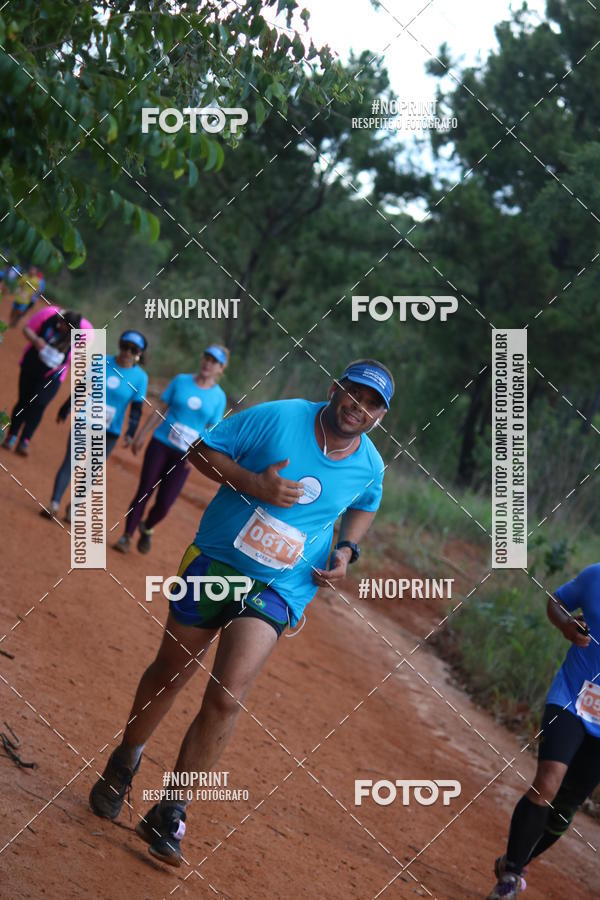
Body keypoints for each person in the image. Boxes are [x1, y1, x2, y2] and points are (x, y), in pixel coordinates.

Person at [89, 358, 393, 867]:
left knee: (228, 695)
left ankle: (172, 809)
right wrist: (253, 484)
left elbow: (366, 503)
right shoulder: (280, 417)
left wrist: (347, 552)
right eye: (353, 393)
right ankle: (125, 760)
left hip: (283, 584)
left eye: (372, 404)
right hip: (218, 560)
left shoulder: (370, 465)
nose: (357, 408)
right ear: (335, 387)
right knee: (170, 673)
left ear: (380, 416)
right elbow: (201, 451)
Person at [487, 564, 600, 899]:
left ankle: (516, 860)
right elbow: (557, 601)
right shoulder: (595, 576)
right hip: (571, 694)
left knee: (566, 807)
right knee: (548, 781)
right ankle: (509, 879)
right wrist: (566, 625)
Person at [113, 345, 228, 555]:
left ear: (221, 368)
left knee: (165, 503)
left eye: (214, 361)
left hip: (186, 455)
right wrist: (141, 435)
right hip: (160, 444)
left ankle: (147, 526)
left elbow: (212, 432)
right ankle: (126, 536)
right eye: (206, 358)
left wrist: (199, 457)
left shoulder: (218, 397)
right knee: (144, 490)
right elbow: (160, 409)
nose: (208, 363)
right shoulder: (181, 381)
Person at [39, 330, 149, 522]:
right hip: (85, 421)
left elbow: (136, 409)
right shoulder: (101, 361)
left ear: (139, 353)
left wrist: (131, 432)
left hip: (110, 431)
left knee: (91, 469)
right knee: (70, 462)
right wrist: (66, 408)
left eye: (133, 350)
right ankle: (54, 504)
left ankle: (74, 507)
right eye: (125, 346)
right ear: (119, 345)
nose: (127, 352)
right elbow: (83, 386)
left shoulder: (140, 377)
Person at [2, 304, 92, 456]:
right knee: (24, 401)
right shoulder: (49, 314)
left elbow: (80, 359)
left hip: (54, 375)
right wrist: (36, 341)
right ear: (60, 321)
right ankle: (12, 435)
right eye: (63, 325)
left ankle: (25, 440)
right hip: (31, 365)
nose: (64, 329)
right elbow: (27, 329)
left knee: (39, 404)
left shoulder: (85, 333)